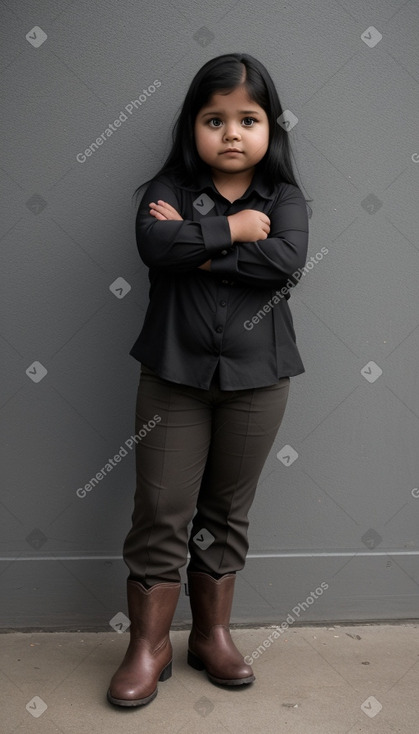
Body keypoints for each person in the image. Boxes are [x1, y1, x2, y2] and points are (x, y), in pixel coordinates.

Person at [107, 52, 310, 708]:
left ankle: (211, 635)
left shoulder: (284, 199)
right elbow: (153, 247)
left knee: (225, 513)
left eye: (246, 119)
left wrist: (195, 249)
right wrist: (232, 232)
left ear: (268, 130)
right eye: (213, 118)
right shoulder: (166, 188)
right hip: (172, 376)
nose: (230, 132)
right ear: (192, 127)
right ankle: (149, 645)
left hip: (259, 380)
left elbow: (283, 263)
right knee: (161, 514)